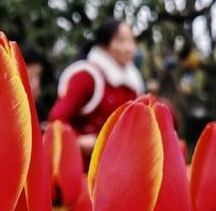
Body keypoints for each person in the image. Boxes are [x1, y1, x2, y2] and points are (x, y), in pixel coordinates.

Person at [49, 19, 146, 156]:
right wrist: (78, 140)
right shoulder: (87, 76)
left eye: (132, 41)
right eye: (121, 41)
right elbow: (56, 118)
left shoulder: (133, 84)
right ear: (104, 45)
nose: (129, 48)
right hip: (83, 167)